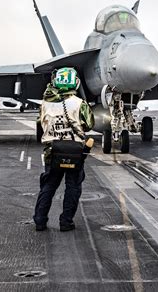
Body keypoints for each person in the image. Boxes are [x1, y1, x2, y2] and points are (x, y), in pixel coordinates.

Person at [33, 67, 94, 232]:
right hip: (74, 152)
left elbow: (40, 124)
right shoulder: (80, 104)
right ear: (75, 82)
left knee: (48, 186)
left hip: (51, 152)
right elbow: (89, 125)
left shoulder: (45, 104)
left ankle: (40, 221)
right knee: (73, 187)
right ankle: (66, 222)